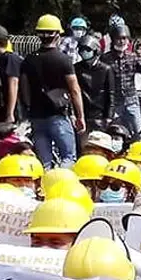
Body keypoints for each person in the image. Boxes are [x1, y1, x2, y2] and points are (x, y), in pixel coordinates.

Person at [20, 15, 84, 168]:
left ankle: (46, 188)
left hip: (37, 116)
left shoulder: (29, 60)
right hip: (58, 115)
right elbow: (75, 90)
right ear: (58, 34)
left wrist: (29, 108)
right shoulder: (64, 60)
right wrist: (80, 116)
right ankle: (63, 186)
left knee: (45, 163)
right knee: (68, 157)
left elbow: (24, 88)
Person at [74, 36, 115, 131]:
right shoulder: (76, 68)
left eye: (87, 49)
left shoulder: (106, 69)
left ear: (96, 51)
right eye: (81, 49)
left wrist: (109, 117)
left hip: (99, 116)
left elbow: (111, 95)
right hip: (81, 115)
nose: (84, 52)